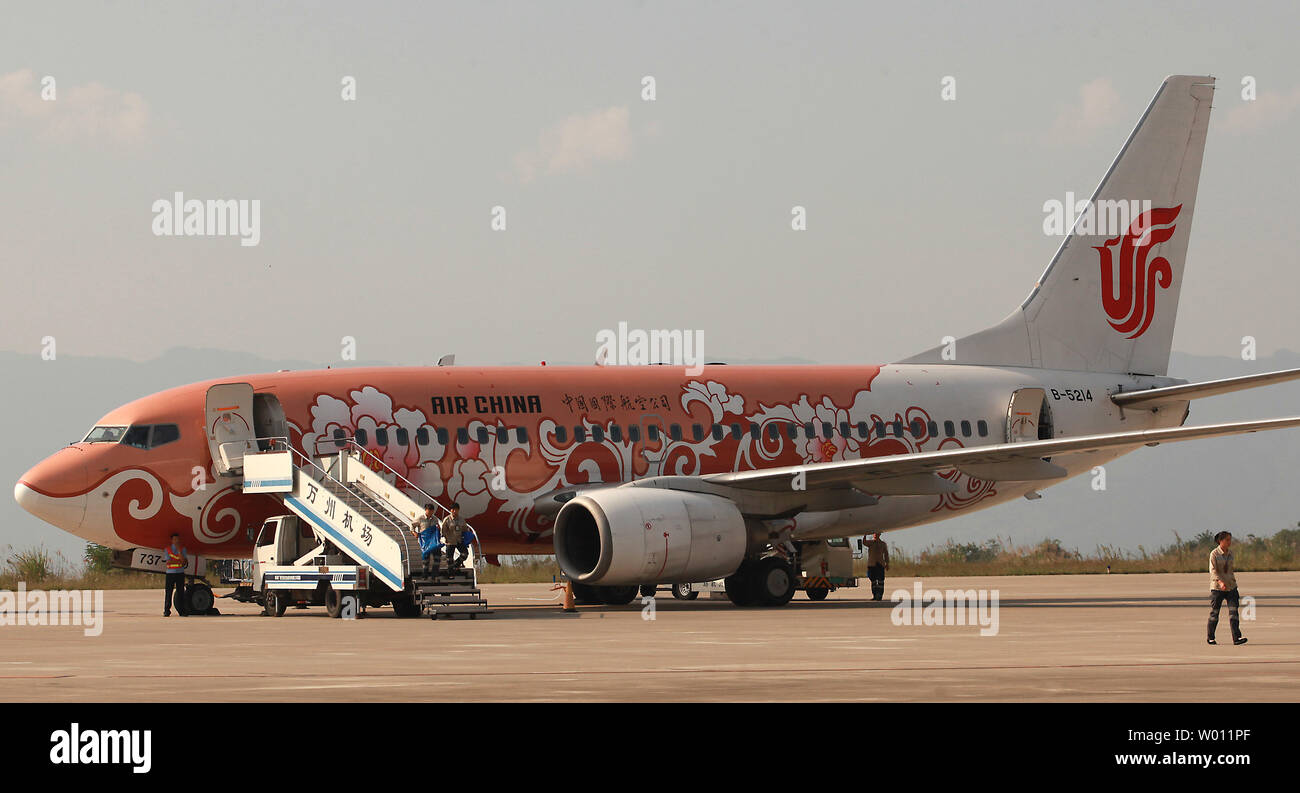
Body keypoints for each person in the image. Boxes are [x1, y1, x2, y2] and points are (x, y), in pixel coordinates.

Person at [1208, 531, 1247, 646]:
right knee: (1215, 613)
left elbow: (1230, 571)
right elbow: (1213, 571)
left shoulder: (1230, 554)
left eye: (1230, 540)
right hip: (1217, 588)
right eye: (1227, 540)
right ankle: (1211, 637)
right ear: (1221, 541)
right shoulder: (1214, 554)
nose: (1229, 542)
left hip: (1231, 587)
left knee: (1234, 613)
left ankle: (1236, 638)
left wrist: (1231, 583)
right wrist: (1220, 582)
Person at [411, 503, 442, 574]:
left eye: (432, 511)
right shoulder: (420, 518)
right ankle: (425, 575)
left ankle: (434, 575)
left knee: (437, 558)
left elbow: (437, 528)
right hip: (425, 542)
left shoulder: (435, 519)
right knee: (426, 560)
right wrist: (414, 533)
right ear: (426, 510)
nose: (430, 512)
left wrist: (438, 529)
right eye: (429, 511)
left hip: (433, 542)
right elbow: (412, 525)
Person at [163, 533, 189, 617]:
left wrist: (179, 552)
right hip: (170, 573)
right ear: (172, 540)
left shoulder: (182, 549)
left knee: (180, 592)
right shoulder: (167, 549)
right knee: (168, 592)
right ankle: (167, 610)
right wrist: (179, 561)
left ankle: (182, 611)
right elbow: (168, 561)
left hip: (180, 573)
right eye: (175, 539)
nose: (176, 541)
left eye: (177, 539)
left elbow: (184, 562)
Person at [440, 502, 470, 571]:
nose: (454, 511)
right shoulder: (447, 519)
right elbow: (443, 531)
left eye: (456, 510)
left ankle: (456, 564)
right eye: (453, 509)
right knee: (449, 559)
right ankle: (450, 574)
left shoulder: (461, 519)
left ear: (458, 510)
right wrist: (445, 538)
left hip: (459, 540)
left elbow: (465, 529)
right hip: (450, 541)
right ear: (450, 510)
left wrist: (466, 539)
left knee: (465, 554)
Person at [864, 532, 889, 601]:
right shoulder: (871, 543)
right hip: (872, 564)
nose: (875, 535)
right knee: (873, 581)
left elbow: (886, 554)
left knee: (881, 581)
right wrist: (865, 535)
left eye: (877, 534)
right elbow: (864, 543)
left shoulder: (883, 544)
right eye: (874, 534)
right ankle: (875, 595)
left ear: (879, 535)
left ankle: (880, 596)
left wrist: (887, 563)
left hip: (880, 564)